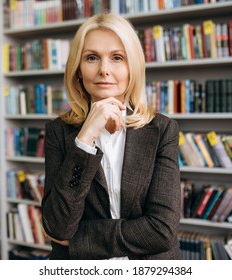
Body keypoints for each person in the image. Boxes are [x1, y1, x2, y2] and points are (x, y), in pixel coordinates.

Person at [41, 12, 181, 260]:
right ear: (78, 69)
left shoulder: (162, 130)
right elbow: (57, 226)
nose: (104, 70)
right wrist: (84, 140)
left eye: (117, 58)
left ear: (132, 67)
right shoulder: (58, 132)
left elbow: (162, 231)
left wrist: (78, 240)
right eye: (92, 57)